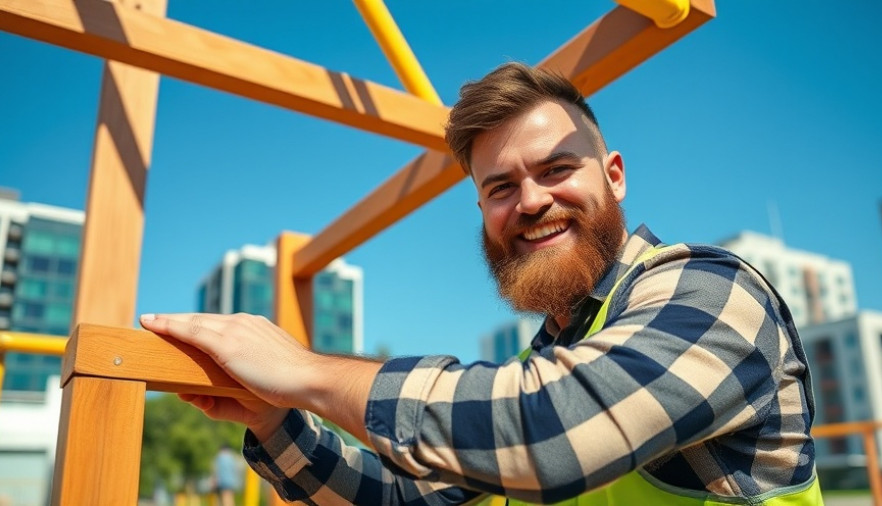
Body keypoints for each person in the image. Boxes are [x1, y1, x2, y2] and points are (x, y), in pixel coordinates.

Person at [140, 63, 823, 505]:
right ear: (482, 212)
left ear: (613, 175)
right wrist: (274, 419)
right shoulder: (537, 366)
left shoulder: (714, 294)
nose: (529, 201)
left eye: (557, 169)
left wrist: (302, 371)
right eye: (501, 187)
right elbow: (402, 499)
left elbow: (549, 434)